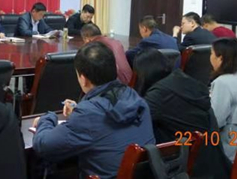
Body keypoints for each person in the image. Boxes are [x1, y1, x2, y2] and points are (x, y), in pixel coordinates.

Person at [32, 42, 155, 178]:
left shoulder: (88, 115)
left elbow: (44, 146)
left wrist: (47, 118)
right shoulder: (135, 98)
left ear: (83, 79)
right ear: (115, 68)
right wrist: (79, 110)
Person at [133, 49, 231, 178]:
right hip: (214, 162)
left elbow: (136, 122)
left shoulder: (158, 95)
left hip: (190, 169)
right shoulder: (184, 79)